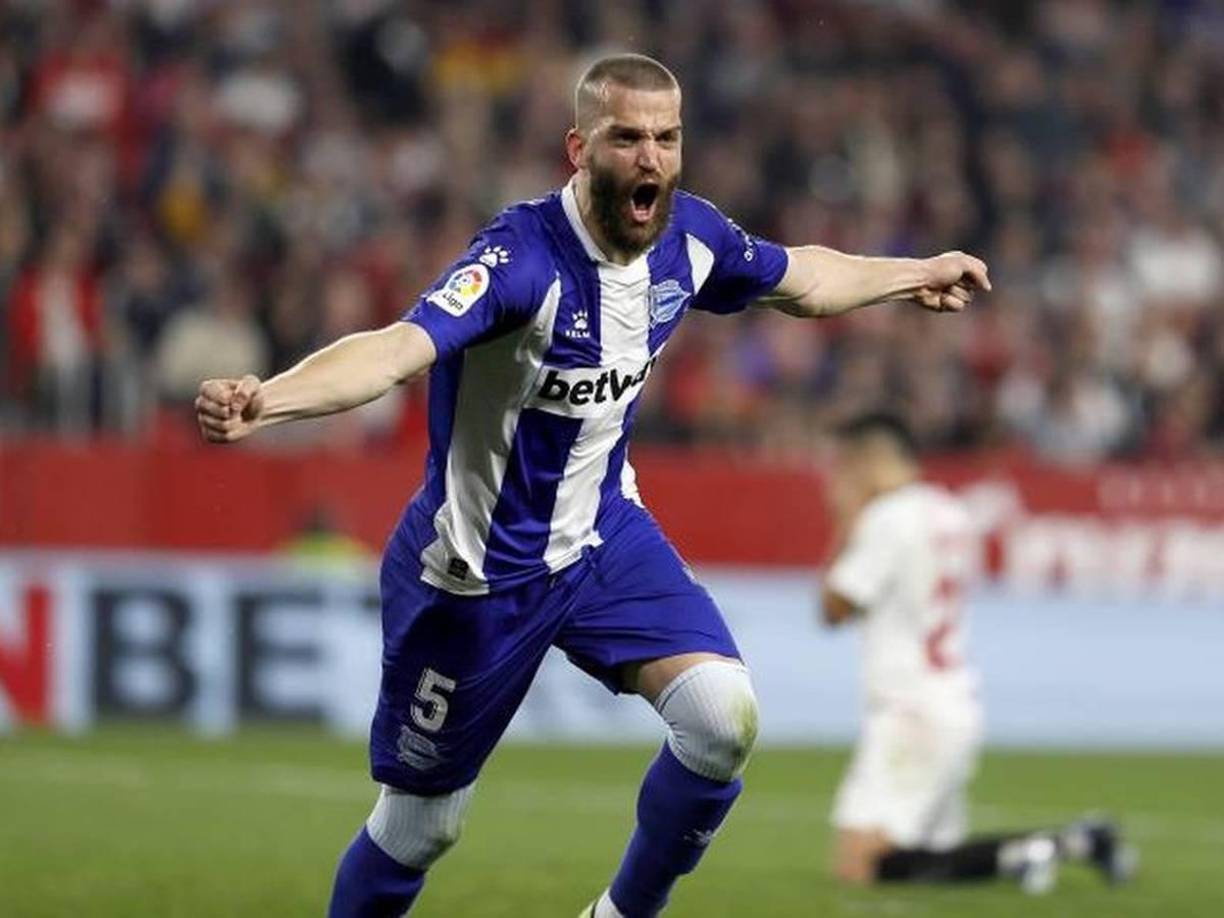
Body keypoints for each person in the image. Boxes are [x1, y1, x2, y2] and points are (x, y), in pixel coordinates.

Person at [196, 53, 990, 918]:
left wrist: (915, 274)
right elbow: (393, 351)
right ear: (580, 148)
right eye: (627, 138)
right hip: (475, 575)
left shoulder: (690, 237)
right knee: (423, 827)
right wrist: (266, 402)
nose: (650, 157)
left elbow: (802, 277)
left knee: (723, 719)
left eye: (666, 138)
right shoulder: (517, 259)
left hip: (603, 537)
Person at [820, 411, 1136, 894]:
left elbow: (835, 607)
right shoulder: (949, 511)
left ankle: (1038, 852)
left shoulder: (887, 519)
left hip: (909, 710)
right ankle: (1073, 844)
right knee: (933, 858)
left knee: (861, 863)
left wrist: (846, 520)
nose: (837, 478)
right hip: (954, 699)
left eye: (845, 465)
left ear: (871, 462)